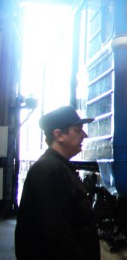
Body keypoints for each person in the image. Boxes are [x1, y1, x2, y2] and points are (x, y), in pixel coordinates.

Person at [14, 106, 100, 260]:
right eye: (78, 130)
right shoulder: (48, 171)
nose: (84, 135)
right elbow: (57, 234)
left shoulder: (59, 167)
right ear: (59, 135)